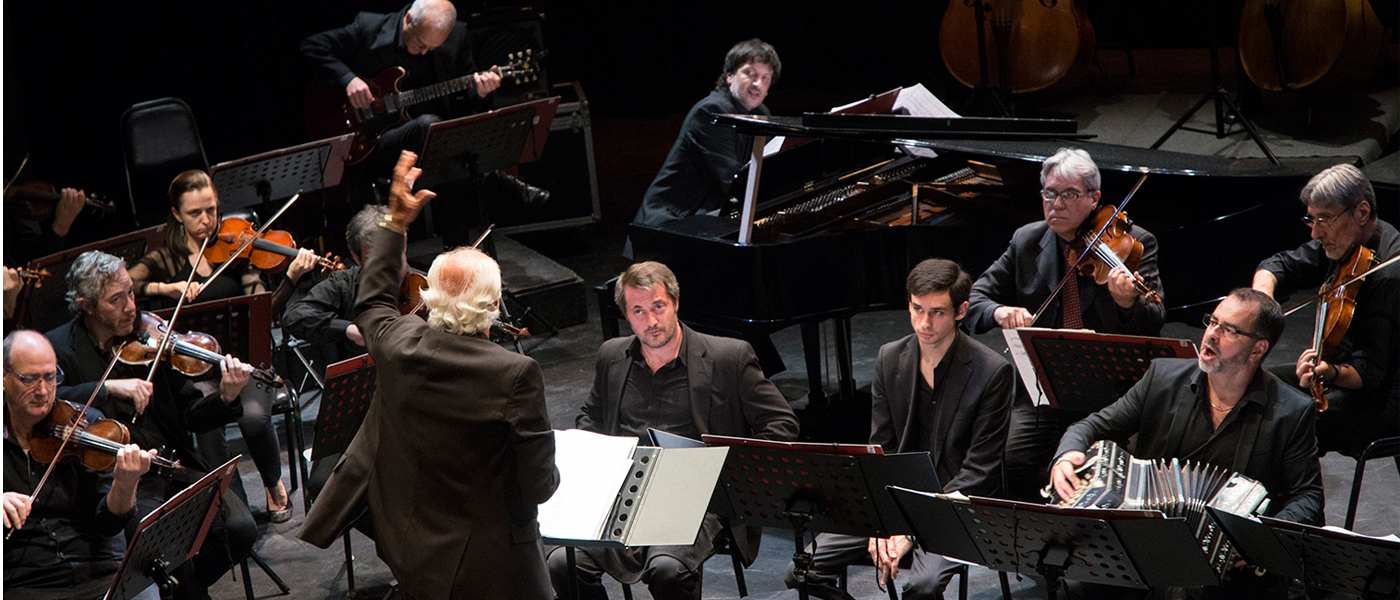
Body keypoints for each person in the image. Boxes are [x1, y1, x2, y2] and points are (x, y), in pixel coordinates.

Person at [301, 150, 558, 600]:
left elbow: (373, 301)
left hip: (413, 550)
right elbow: (539, 484)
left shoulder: (399, 344)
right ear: (493, 306)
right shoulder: (516, 372)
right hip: (494, 564)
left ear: (429, 296)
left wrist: (396, 223)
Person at [547, 260, 800, 600]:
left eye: (658, 307)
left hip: (696, 499)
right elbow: (591, 416)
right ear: (625, 314)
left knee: (667, 570)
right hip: (624, 495)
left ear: (675, 303)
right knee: (563, 564)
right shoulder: (612, 356)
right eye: (638, 311)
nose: (650, 321)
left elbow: (781, 424)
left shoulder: (729, 357)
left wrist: (727, 474)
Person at [1050, 289, 1324, 599]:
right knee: (1071, 591)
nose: (1212, 335)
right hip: (1146, 550)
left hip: (1228, 567)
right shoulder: (1163, 379)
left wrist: (1263, 537)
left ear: (1257, 349)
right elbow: (1092, 426)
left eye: (1229, 330)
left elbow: (1308, 495)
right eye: (1212, 322)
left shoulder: (1290, 410)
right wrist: (1065, 456)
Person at [784, 259, 1013, 600]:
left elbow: (980, 471)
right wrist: (882, 520)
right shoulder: (889, 358)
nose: (924, 322)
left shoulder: (992, 372)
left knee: (923, 587)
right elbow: (881, 450)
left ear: (961, 310)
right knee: (800, 572)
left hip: (955, 508)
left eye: (937, 312)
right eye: (917, 309)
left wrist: (909, 529)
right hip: (893, 500)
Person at [44, 250, 257, 600]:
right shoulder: (59, 348)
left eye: (130, 292)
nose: (131, 306)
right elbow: (49, 404)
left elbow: (190, 413)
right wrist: (110, 387)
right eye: (116, 299)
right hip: (123, 480)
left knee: (240, 530)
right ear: (87, 305)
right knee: (171, 557)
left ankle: (179, 591)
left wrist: (227, 397)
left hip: (174, 465)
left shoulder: (148, 337)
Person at [965, 147, 1164, 503]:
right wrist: (999, 312)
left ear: (1094, 199)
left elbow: (1154, 322)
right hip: (1045, 389)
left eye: (1069, 195)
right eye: (1049, 193)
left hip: (1109, 390)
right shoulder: (1027, 240)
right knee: (1011, 460)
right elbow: (975, 299)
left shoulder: (1134, 243)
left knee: (1101, 471)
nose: (1056, 204)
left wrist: (1125, 302)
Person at [127, 169, 314, 522]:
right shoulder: (166, 260)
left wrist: (289, 279)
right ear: (178, 214)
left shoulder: (238, 251)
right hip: (194, 368)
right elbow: (128, 285)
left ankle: (273, 483)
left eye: (212, 210)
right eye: (196, 213)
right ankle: (232, 508)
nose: (207, 220)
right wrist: (166, 289)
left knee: (255, 418)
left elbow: (264, 310)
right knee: (207, 422)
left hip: (241, 362)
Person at [299, 0, 546, 209]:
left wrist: (482, 92)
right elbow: (311, 46)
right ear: (407, 19)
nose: (423, 52)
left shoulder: (457, 37)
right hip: (372, 143)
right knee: (431, 126)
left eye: (432, 48)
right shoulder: (370, 28)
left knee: (443, 139)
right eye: (419, 43)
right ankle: (501, 178)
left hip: (432, 148)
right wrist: (349, 79)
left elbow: (472, 106)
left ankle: (456, 251)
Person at [1252, 163, 1399, 457]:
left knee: (1289, 420)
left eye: (1325, 219)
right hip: (1340, 372)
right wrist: (1262, 299)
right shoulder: (1345, 243)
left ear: (1361, 212)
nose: (1315, 233)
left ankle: (1299, 499)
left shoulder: (1388, 274)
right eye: (1312, 219)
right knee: (1256, 385)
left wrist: (1326, 372)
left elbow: (1368, 374)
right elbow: (1280, 264)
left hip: (1383, 398)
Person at [3, 330, 154, 600]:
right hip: (27, 583)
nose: (43, 391)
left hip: (97, 572)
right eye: (30, 379)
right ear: (4, 378)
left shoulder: (87, 426)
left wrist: (125, 483)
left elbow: (109, 524)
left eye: (50, 377)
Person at [627, 38, 781, 254]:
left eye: (765, 78)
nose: (758, 84)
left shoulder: (762, 114)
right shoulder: (711, 112)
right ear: (730, 76)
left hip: (709, 217)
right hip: (670, 223)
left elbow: (770, 166)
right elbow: (731, 181)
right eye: (750, 74)